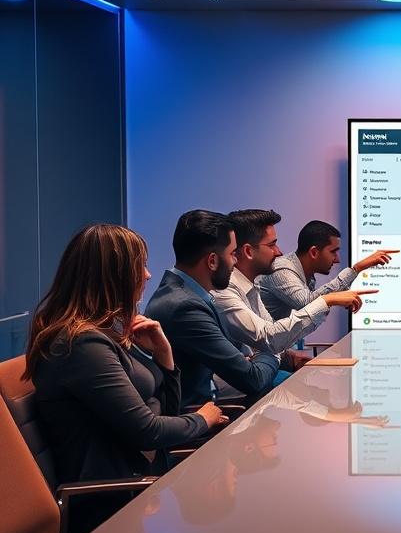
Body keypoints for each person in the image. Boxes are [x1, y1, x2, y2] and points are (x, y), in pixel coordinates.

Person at [26, 225, 226, 496]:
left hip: (142, 479)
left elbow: (164, 414)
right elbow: (148, 431)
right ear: (113, 275)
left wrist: (163, 356)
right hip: (113, 500)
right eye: (140, 266)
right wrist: (203, 418)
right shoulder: (81, 345)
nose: (148, 274)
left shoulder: (104, 334)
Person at [147, 210, 280, 407]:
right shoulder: (185, 307)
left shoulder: (187, 294)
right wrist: (272, 350)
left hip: (213, 408)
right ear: (212, 261)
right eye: (232, 254)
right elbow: (253, 380)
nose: (235, 262)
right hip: (199, 425)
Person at [212, 209, 378, 365]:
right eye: (272, 245)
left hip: (265, 366)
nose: (278, 252)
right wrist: (348, 278)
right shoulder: (232, 288)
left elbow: (271, 338)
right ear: (248, 251)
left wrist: (289, 358)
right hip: (243, 385)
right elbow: (271, 339)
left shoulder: (251, 285)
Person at [259, 219, 397, 321]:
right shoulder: (282, 269)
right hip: (255, 354)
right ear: (314, 252)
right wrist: (356, 269)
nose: (337, 259)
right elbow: (307, 304)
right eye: (333, 252)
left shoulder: (306, 276)